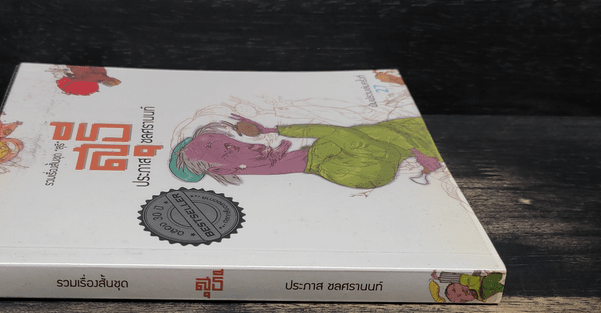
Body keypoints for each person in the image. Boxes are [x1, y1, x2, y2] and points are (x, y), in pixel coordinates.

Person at [170, 114, 442, 189]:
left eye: (229, 141)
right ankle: (415, 149)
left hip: (353, 160)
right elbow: (333, 132)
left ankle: (415, 149)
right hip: (353, 165)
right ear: (224, 168)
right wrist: (274, 130)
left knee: (374, 135)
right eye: (225, 150)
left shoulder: (324, 154)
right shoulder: (333, 157)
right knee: (343, 137)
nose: (239, 144)